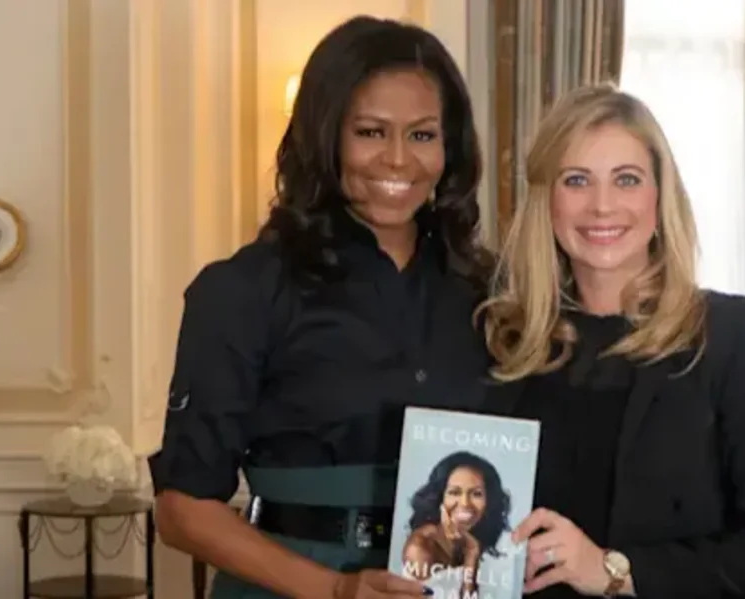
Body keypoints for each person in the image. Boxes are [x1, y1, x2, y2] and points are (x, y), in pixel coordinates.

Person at [149, 15, 493, 599]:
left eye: (423, 135)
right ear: (325, 136)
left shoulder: (492, 294)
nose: (398, 161)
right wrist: (335, 590)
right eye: (370, 132)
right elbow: (182, 509)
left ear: (450, 147)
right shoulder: (243, 290)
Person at [475, 84, 745, 598]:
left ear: (660, 198)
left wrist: (615, 570)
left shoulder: (739, 336)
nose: (602, 205)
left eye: (627, 179)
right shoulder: (501, 340)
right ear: (547, 202)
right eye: (577, 180)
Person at [399, 451, 513, 597]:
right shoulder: (421, 546)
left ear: (489, 501)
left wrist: (472, 552)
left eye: (476, 494)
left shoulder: (481, 536)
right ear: (440, 498)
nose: (465, 503)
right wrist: (472, 555)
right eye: (454, 492)